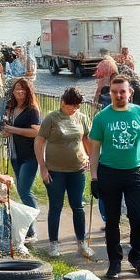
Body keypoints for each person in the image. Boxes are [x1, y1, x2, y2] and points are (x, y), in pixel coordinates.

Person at [88, 74, 140, 280]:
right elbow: (94, 149)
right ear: (110, 93)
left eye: (122, 92)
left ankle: (136, 256)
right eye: (114, 92)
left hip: (134, 172)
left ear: (130, 93)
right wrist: (93, 177)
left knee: (138, 218)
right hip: (109, 172)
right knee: (112, 221)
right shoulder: (102, 117)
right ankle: (115, 262)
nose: (119, 95)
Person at [35, 86, 94, 259]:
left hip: (77, 170)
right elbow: (39, 143)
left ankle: (81, 243)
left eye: (77, 106)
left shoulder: (82, 118)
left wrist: (91, 159)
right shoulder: (51, 118)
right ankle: (53, 244)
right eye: (71, 106)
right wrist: (43, 167)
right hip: (55, 170)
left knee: (78, 206)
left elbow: (86, 140)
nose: (74, 109)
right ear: (63, 102)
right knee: (56, 206)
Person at [2, 78, 42, 247]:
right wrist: (5, 131)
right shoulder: (10, 108)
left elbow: (35, 132)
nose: (19, 92)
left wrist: (12, 130)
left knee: (25, 191)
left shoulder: (32, 110)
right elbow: (5, 127)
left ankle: (32, 230)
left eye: (23, 89)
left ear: (28, 92)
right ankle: (26, 227)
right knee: (20, 189)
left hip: (29, 156)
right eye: (17, 89)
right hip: (14, 154)